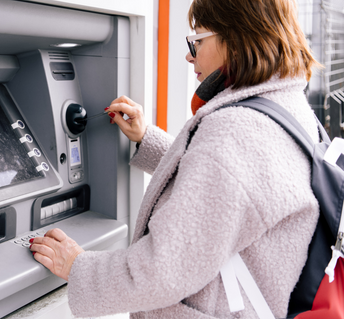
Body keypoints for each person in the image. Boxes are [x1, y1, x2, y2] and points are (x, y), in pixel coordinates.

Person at [29, 0, 322, 317]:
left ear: (235, 38)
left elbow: (162, 270)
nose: (189, 55)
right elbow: (229, 188)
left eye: (196, 41)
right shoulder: (285, 106)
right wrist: (146, 138)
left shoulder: (236, 131)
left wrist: (77, 266)